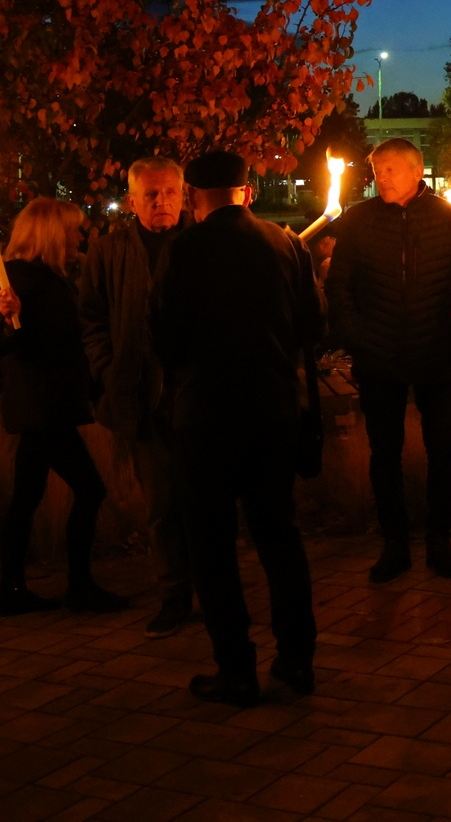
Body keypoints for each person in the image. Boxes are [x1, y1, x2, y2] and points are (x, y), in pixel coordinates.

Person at [154, 150, 324, 706]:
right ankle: (297, 659)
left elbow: (166, 339)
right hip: (273, 411)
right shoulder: (286, 243)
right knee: (279, 535)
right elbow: (313, 325)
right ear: (246, 191)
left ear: (192, 196)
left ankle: (236, 667)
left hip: (207, 416)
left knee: (212, 545)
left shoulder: (185, 249)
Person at [324, 138, 451, 584]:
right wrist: (359, 338)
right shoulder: (359, 220)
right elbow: (339, 286)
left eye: (389, 169)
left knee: (442, 449)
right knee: (384, 453)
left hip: (436, 351)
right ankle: (394, 543)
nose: (380, 178)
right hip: (379, 356)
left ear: (416, 170)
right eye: (376, 170)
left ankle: (440, 539)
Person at [0, 197, 126, 619]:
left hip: (45, 407)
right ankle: (78, 586)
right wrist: (8, 321)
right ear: (51, 234)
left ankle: (13, 589)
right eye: (72, 230)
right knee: (89, 490)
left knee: (26, 497)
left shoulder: (46, 277)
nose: (79, 236)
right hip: (45, 409)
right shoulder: (21, 281)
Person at [79, 156, 194, 638]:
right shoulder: (109, 251)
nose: (162, 201)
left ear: (184, 195)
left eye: (170, 192)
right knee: (162, 504)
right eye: (151, 194)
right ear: (132, 201)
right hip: (142, 397)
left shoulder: (200, 244)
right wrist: (110, 371)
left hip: (196, 395)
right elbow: (92, 317)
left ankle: (214, 589)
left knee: (205, 500)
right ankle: (174, 594)